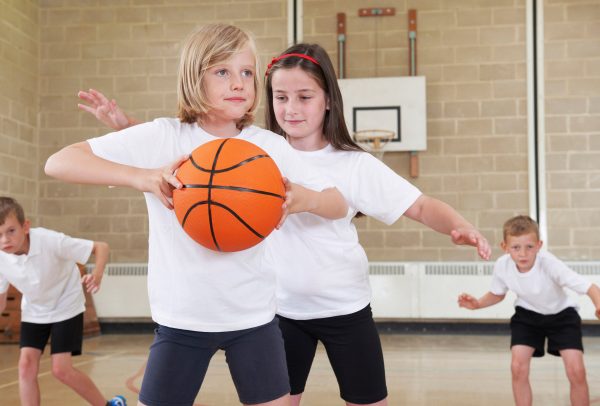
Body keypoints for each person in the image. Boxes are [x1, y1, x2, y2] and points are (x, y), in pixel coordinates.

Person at [77, 43, 491, 406]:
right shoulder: (254, 151)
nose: (291, 109)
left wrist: (459, 225)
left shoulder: (346, 164)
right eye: (281, 97)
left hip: (344, 306)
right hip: (280, 310)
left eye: (304, 97)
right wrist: (130, 132)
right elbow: (196, 165)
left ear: (329, 100)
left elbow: (417, 206)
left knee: (368, 399)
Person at [45, 24, 348, 406]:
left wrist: (306, 199)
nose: (238, 83)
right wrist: (142, 177)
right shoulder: (163, 137)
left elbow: (339, 203)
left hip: (253, 318)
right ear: (194, 77)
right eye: (222, 71)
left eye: (247, 73)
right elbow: (59, 162)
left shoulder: (269, 146)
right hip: (182, 320)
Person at [458, 215, 600, 406]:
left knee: (576, 371)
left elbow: (590, 287)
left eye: (529, 247)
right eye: (516, 247)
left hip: (562, 316)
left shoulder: (549, 264)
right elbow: (497, 293)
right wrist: (477, 304)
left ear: (539, 245)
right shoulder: (502, 265)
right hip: (527, 316)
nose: (523, 254)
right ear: (505, 247)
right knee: (517, 367)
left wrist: (599, 304)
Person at [0, 197, 126, 406]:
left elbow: (100, 247)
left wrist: (97, 274)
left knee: (61, 369)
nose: (5, 240)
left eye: (11, 231)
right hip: (35, 310)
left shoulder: (51, 241)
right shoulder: (1, 258)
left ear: (26, 226)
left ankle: (108, 405)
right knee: (26, 367)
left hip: (66, 305)